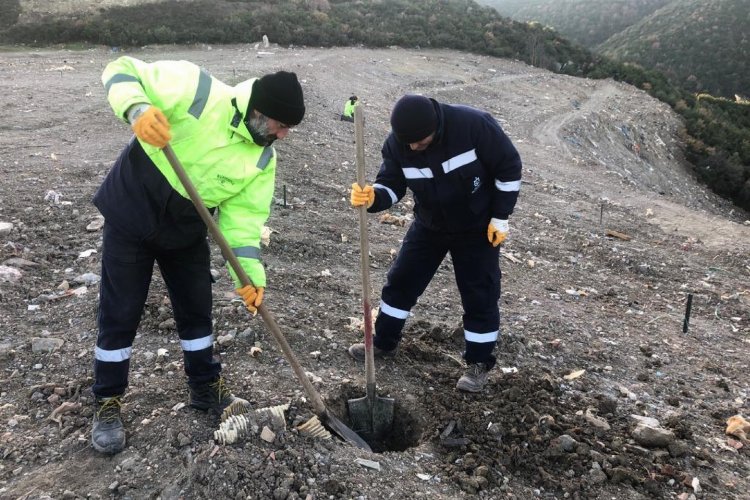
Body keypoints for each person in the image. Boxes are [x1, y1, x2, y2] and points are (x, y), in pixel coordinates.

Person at [91, 56, 305, 454]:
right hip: (132, 208)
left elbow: (242, 223)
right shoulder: (197, 89)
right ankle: (107, 401)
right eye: (280, 125)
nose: (284, 134)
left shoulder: (262, 158)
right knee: (120, 313)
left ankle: (205, 388)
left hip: (187, 227)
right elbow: (121, 70)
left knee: (196, 309)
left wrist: (250, 276)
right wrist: (136, 108)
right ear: (261, 112)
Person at [348, 94, 522, 392]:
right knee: (401, 281)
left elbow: (509, 167)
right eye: (409, 144)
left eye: (421, 142)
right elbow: (391, 185)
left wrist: (500, 216)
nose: (414, 148)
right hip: (430, 224)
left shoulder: (473, 126)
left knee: (479, 293)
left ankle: (478, 363)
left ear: (436, 127)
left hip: (477, 227)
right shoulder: (398, 144)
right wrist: (373, 196)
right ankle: (383, 342)